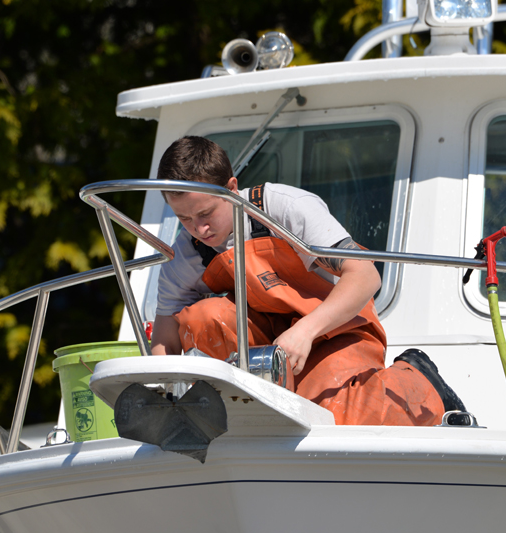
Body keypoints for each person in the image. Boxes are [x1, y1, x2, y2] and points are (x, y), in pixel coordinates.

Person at [151, 136, 464, 426]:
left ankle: (418, 379)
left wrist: (304, 332)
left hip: (334, 329)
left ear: (232, 189)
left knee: (329, 419)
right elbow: (166, 331)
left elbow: (366, 276)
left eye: (205, 213)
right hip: (271, 343)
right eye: (184, 219)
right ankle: (240, 417)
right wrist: (165, 396)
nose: (199, 230)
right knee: (201, 318)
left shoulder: (284, 208)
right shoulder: (186, 253)